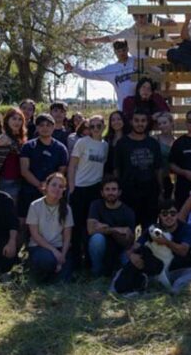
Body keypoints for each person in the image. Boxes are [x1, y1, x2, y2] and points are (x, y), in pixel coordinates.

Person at [112, 200, 191, 295]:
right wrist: (132, 255)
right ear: (160, 216)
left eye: (172, 213)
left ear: (177, 215)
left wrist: (166, 242)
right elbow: (134, 247)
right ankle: (115, 291)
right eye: (165, 214)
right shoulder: (153, 229)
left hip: (176, 270)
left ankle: (174, 291)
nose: (169, 216)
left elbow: (183, 251)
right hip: (154, 271)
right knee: (125, 264)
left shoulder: (186, 229)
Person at [67, 114, 108, 269]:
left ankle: (91, 261)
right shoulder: (82, 142)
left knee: (91, 226)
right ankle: (76, 261)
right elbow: (72, 165)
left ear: (104, 127)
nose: (95, 129)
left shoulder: (105, 145)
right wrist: (72, 187)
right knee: (76, 226)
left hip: (95, 189)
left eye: (99, 126)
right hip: (80, 188)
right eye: (92, 126)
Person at [114, 110, 163, 230]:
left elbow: (158, 169)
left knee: (150, 229)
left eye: (143, 121)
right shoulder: (122, 143)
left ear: (147, 123)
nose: (140, 124)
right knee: (128, 230)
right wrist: (118, 190)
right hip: (128, 192)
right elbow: (116, 169)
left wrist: (161, 190)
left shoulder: (153, 143)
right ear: (131, 122)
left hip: (150, 192)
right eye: (136, 120)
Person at [19, 113, 69, 225]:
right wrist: (40, 185)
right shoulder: (28, 146)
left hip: (52, 193)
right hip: (29, 191)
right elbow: (24, 170)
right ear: (37, 127)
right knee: (24, 224)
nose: (45, 128)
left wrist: (49, 187)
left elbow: (61, 172)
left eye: (48, 125)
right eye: (41, 125)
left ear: (53, 127)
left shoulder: (61, 149)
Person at [27, 172, 74, 283]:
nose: (57, 188)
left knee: (66, 275)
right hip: (39, 247)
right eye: (54, 185)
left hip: (59, 248)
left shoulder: (67, 208)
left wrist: (62, 256)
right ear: (46, 186)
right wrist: (54, 252)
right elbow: (35, 235)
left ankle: (54, 276)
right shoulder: (35, 206)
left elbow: (67, 237)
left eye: (61, 186)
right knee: (47, 260)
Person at [64, 39, 138, 107]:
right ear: (115, 52)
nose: (122, 53)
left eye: (124, 50)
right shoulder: (111, 69)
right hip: (124, 108)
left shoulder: (138, 61)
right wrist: (73, 69)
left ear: (127, 49)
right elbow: (91, 74)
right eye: (119, 51)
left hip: (140, 106)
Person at [86, 177, 136, 277]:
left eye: (114, 189)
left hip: (120, 249)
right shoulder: (96, 205)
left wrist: (104, 228)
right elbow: (91, 230)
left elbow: (129, 242)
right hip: (102, 247)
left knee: (130, 262)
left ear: (119, 192)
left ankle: (116, 271)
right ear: (102, 193)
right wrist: (116, 229)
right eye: (107, 189)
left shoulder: (128, 212)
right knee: (97, 239)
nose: (110, 193)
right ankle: (97, 272)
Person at [0, 107, 27, 204]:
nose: (17, 122)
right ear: (7, 120)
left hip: (19, 180)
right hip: (7, 182)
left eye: (20, 119)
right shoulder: (4, 138)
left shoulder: (19, 138)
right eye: (14, 118)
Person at [155, 112, 176, 201]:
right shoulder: (155, 140)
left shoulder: (176, 141)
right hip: (156, 178)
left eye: (164, 123)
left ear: (171, 123)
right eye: (159, 124)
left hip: (171, 178)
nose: (162, 126)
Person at [103, 110, 128, 174]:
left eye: (119, 119)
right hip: (109, 175)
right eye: (113, 120)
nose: (116, 122)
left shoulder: (130, 138)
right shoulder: (107, 139)